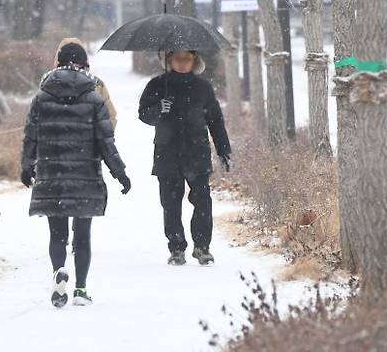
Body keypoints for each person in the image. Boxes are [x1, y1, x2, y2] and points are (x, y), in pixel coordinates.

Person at [21, 41, 131, 308]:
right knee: (82, 235)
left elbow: (30, 137)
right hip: (85, 177)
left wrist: (26, 168)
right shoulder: (94, 98)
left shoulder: (41, 97)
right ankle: (81, 289)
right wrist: (120, 173)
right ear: (85, 65)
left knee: (57, 234)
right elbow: (106, 141)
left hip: (51, 175)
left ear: (57, 62)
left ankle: (59, 273)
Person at [138, 50, 231, 266]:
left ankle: (202, 246)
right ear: (169, 60)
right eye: (177, 59)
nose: (181, 63)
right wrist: (159, 109)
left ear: (194, 61)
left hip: (196, 151)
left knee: (202, 202)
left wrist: (223, 150)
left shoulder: (203, 88)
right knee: (170, 204)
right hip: (167, 152)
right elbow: (143, 114)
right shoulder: (157, 85)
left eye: (186, 59)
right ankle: (177, 247)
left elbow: (215, 120)